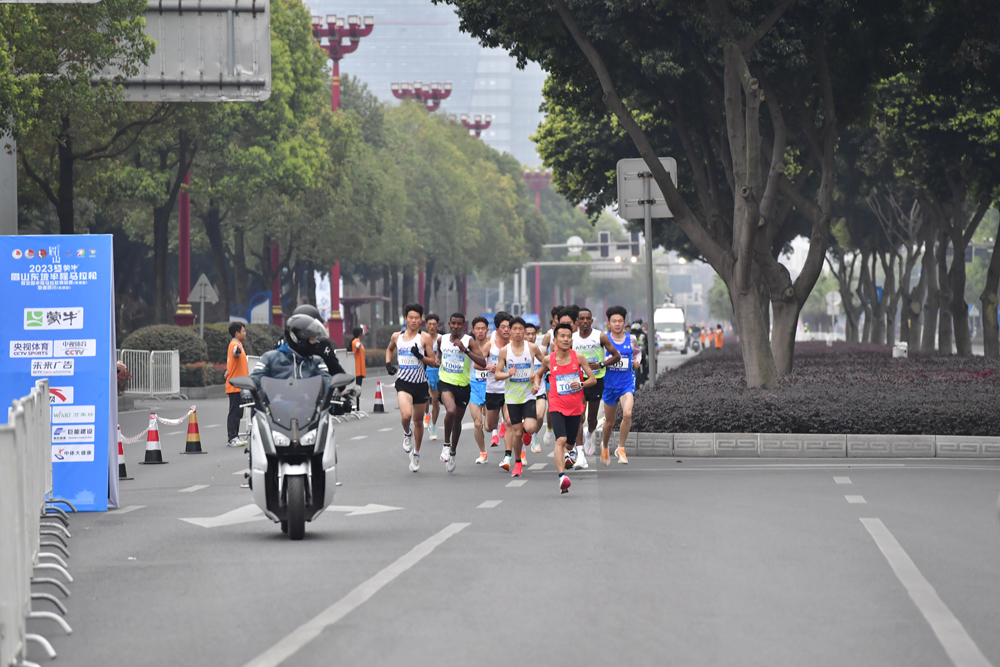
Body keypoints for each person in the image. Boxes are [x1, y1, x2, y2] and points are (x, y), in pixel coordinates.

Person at [532, 322, 596, 494]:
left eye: (569, 336)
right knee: (560, 440)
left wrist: (581, 383)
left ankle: (570, 453)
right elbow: (538, 375)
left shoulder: (578, 357)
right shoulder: (548, 359)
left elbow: (593, 379)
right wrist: (536, 386)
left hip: (575, 408)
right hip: (556, 406)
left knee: (569, 443)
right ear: (555, 339)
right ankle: (562, 477)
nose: (566, 339)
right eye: (562, 336)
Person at [385, 303, 439, 472]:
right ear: (406, 318)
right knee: (406, 415)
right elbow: (389, 349)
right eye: (411, 318)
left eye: (417, 318)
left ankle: (416, 453)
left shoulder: (424, 338)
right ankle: (406, 433)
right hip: (403, 382)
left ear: (420, 320)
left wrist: (419, 356)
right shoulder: (397, 336)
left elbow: (434, 361)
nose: (414, 320)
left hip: (420, 384)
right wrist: (388, 364)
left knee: (418, 421)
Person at [436, 313, 488, 473]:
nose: (456, 327)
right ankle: (445, 445)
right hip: (445, 382)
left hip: (463, 386)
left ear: (463, 325)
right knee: (450, 411)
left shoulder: (468, 341)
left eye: (459, 324)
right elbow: (439, 351)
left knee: (457, 421)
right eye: (453, 323)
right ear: (449, 324)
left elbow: (482, 362)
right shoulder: (442, 339)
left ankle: (452, 452)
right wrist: (438, 359)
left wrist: (465, 350)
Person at [494, 317, 545, 476]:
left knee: (529, 427)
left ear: (524, 331)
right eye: (514, 329)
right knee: (516, 433)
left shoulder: (532, 348)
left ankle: (527, 434)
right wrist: (507, 374)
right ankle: (517, 462)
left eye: (520, 329)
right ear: (510, 331)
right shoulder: (505, 351)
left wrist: (536, 379)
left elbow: (545, 364)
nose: (517, 332)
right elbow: (496, 375)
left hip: (528, 395)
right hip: (512, 398)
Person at [571, 306, 621, 468]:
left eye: (588, 319)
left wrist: (601, 364)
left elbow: (616, 356)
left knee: (591, 419)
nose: (585, 322)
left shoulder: (599, 337)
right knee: (579, 416)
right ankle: (580, 454)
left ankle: (589, 434)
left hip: (596, 381)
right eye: (582, 319)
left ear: (591, 321)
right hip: (578, 381)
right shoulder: (571, 338)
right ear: (577, 322)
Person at [600, 306, 642, 465]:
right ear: (609, 323)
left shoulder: (631, 339)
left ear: (624, 322)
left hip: (626, 383)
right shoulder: (604, 339)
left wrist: (637, 361)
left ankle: (621, 448)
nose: (617, 324)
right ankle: (605, 447)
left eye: (620, 321)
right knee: (609, 423)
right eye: (614, 321)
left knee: (627, 414)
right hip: (609, 384)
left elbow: (637, 352)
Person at [250, 315, 332, 390]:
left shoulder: (317, 361)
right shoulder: (269, 358)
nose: (316, 342)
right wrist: (247, 392)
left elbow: (326, 379)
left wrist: (333, 391)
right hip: (276, 405)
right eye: (312, 339)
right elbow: (255, 378)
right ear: (296, 339)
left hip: (309, 405)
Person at [273, 304, 348, 377]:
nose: (314, 341)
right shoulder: (270, 356)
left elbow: (335, 370)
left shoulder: (318, 356)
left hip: (312, 386)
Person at [485, 312, 512, 453]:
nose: (507, 330)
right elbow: (477, 363)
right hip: (493, 390)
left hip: (509, 390)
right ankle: (497, 426)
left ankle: (509, 454)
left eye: (509, 327)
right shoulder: (490, 346)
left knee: (509, 421)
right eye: (503, 327)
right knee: (489, 426)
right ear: (497, 329)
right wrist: (488, 366)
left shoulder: (514, 346)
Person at [468, 316, 492, 464]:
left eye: (483, 328)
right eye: (478, 329)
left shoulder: (493, 345)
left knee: (489, 426)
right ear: (473, 331)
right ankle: (483, 452)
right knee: (477, 423)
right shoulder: (468, 346)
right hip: (473, 387)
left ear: (487, 330)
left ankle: (496, 430)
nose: (480, 331)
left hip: (490, 387)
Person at [524, 322, 548, 454]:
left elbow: (548, 364)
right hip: (522, 393)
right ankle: (520, 451)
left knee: (539, 416)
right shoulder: (515, 353)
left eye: (533, 333)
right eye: (528, 334)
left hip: (539, 390)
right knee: (522, 424)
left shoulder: (541, 351)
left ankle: (533, 436)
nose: (531, 336)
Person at [225, 322, 249, 447]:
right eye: (243, 331)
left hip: (239, 384)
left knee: (238, 412)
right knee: (234, 412)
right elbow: (235, 352)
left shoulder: (238, 344)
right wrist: (238, 350)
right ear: (237, 333)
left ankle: (236, 436)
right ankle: (232, 437)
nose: (245, 333)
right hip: (234, 385)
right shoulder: (235, 345)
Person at [423, 314, 443, 441]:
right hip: (425, 371)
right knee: (425, 396)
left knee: (435, 401)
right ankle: (426, 413)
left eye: (434, 324)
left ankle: (433, 426)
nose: (431, 326)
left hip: (438, 372)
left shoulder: (442, 339)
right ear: (426, 326)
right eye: (429, 324)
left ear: (437, 326)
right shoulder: (422, 338)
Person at [348, 326, 366, 412]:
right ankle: (356, 407)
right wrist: (359, 344)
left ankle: (357, 407)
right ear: (360, 334)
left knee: (358, 389)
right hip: (357, 370)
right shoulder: (355, 341)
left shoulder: (357, 341)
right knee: (357, 389)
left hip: (360, 369)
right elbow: (357, 346)